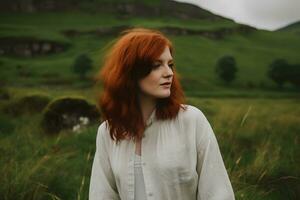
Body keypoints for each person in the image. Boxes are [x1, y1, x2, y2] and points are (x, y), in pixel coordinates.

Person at [89, 28, 235, 200]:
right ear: (131, 71)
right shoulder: (107, 132)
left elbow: (218, 192)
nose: (169, 73)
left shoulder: (192, 120)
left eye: (170, 64)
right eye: (157, 65)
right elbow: (101, 195)